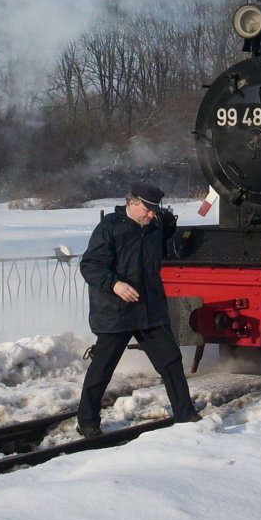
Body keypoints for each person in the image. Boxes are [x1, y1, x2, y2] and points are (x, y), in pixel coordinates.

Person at [76, 182, 200, 437]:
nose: (152, 214)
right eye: (148, 209)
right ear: (131, 203)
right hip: (116, 312)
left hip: (149, 310)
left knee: (171, 362)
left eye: (156, 210)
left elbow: (165, 233)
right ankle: (87, 422)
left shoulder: (154, 227)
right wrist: (115, 284)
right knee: (102, 368)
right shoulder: (109, 228)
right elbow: (90, 266)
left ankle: (186, 414)